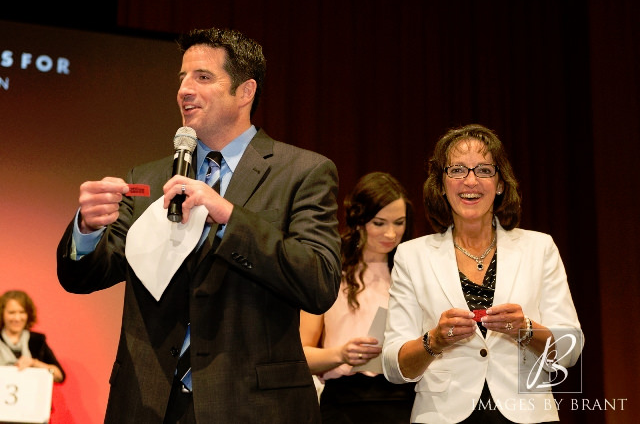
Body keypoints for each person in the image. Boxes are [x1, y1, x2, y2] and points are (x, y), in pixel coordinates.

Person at [56, 27, 341, 423]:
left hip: (254, 407)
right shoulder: (150, 178)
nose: (184, 89)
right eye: (182, 78)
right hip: (149, 406)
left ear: (245, 92)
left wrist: (227, 216)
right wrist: (87, 229)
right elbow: (84, 276)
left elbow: (319, 282)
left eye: (202, 77)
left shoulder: (303, 172)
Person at [381, 124, 583, 423]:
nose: (470, 181)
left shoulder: (539, 247)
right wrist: (434, 340)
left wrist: (526, 329)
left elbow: (570, 349)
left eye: (484, 170)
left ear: (500, 183)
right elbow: (394, 365)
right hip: (441, 414)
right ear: (441, 183)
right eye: (457, 170)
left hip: (528, 412)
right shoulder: (412, 255)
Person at [300, 172, 416, 423]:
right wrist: (341, 354)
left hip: (404, 399)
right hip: (344, 403)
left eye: (399, 222)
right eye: (379, 223)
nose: (390, 234)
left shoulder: (414, 274)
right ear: (358, 221)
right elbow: (301, 355)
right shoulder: (328, 273)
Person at [0, 290, 65, 383]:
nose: (17, 318)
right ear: (2, 314)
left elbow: (59, 376)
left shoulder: (37, 341)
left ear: (28, 314)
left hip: (31, 396)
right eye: (12, 313)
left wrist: (34, 363)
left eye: (22, 312)